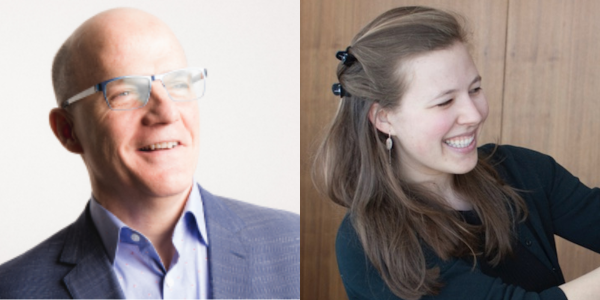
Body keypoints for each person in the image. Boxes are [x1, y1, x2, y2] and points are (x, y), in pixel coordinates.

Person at [0, 8, 299, 299]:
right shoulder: (14, 291)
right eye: (125, 91)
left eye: (178, 84)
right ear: (68, 130)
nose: (167, 112)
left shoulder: (296, 247)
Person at [313, 6, 600, 300]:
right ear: (384, 117)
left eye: (475, 89)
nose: (473, 115)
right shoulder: (365, 241)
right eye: (445, 101)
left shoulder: (524, 170)